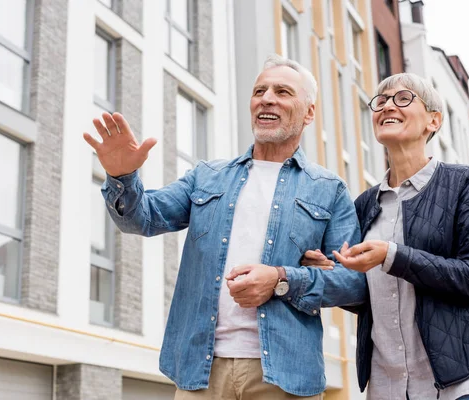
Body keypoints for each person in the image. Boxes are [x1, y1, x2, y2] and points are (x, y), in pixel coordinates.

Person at [83, 54, 367, 399]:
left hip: (284, 374)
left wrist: (281, 279)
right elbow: (144, 217)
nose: (267, 98)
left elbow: (354, 283)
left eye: (283, 91)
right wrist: (121, 176)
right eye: (259, 90)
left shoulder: (329, 189)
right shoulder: (208, 176)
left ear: (308, 112)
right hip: (200, 372)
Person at [303, 73, 469, 399]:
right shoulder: (364, 205)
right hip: (390, 386)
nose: (388, 105)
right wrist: (331, 274)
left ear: (433, 120)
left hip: (468, 381)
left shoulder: (464, 183)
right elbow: (372, 298)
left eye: (402, 98)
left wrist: (393, 255)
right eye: (381, 100)